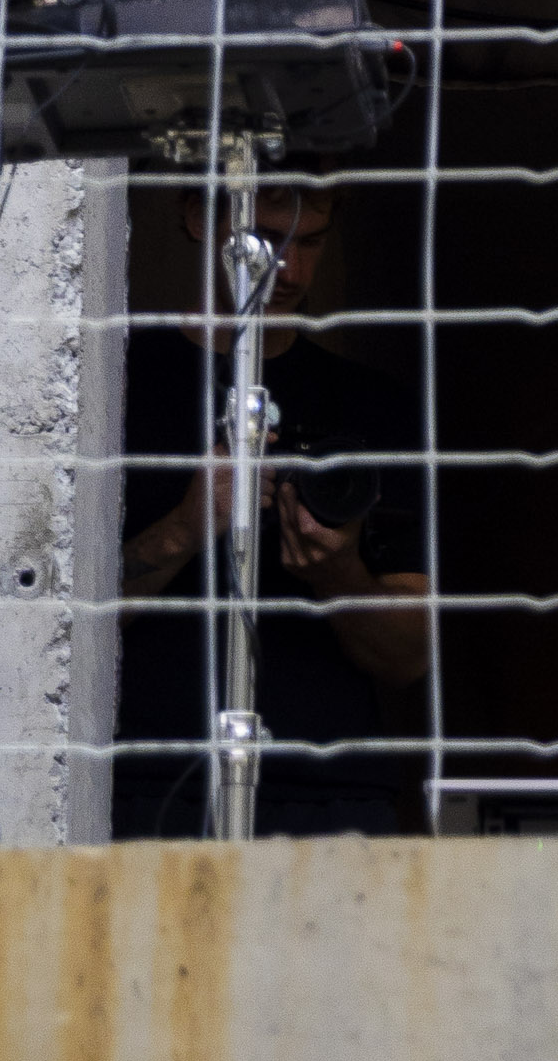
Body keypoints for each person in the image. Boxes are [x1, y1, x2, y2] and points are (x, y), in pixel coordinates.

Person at [112, 186, 431, 834]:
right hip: (146, 782)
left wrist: (336, 572)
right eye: (263, 240)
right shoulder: (113, 380)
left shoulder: (372, 405)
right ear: (200, 219)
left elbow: (408, 659)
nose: (286, 269)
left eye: (309, 243)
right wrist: (186, 526)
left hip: (327, 792)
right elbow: (54, 626)